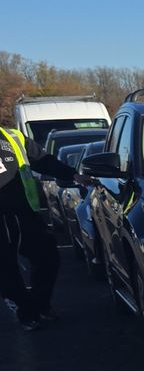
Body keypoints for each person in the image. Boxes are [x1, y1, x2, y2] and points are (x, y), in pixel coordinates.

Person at [0, 125, 75, 330]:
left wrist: (73, 175)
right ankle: (25, 310)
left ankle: (39, 305)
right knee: (6, 268)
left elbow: (43, 161)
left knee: (48, 256)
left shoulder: (12, 136)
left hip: (23, 212)